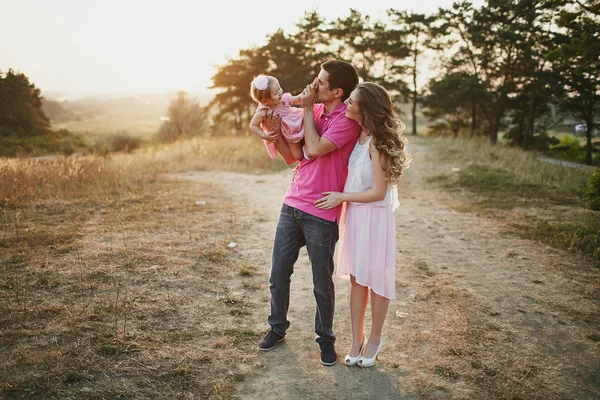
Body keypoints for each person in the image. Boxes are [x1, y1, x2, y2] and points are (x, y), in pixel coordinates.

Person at [257, 60, 361, 366]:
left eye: (320, 82)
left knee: (321, 282)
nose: (313, 86)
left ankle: (325, 339)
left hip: (323, 210)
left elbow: (315, 149)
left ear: (337, 92)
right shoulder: (314, 111)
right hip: (293, 203)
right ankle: (277, 327)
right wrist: (275, 134)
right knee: (278, 273)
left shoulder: (347, 120)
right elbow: (294, 157)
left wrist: (305, 109)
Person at [314, 82, 412, 367]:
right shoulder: (357, 137)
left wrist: (340, 197)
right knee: (357, 279)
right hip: (356, 216)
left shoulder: (378, 144)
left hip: (375, 217)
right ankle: (356, 338)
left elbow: (379, 192)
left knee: (377, 280)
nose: (347, 104)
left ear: (365, 108)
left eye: (352, 101)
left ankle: (374, 338)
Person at [249, 74, 307, 161]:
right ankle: (306, 164)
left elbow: (298, 99)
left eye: (279, 88)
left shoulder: (285, 99)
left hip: (301, 122)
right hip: (290, 134)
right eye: (276, 93)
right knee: (297, 156)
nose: (280, 92)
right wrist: (264, 136)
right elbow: (253, 125)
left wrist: (308, 93)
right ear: (265, 100)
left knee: (312, 137)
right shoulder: (263, 111)